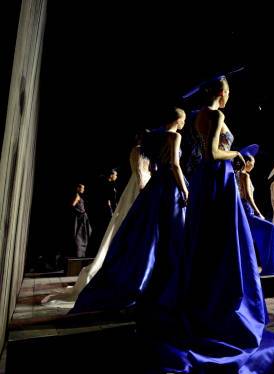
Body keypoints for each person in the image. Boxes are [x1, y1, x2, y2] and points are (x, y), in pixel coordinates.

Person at [154, 77, 274, 374]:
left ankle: (202, 303)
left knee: (205, 249)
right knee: (226, 250)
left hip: (204, 185)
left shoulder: (197, 115)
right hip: (219, 183)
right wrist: (237, 153)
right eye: (229, 92)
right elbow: (212, 154)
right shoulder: (217, 116)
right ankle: (226, 309)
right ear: (222, 93)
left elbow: (201, 155)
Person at [70, 107, 189, 313]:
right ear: (178, 120)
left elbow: (152, 168)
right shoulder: (173, 136)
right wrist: (185, 190)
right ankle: (169, 280)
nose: (185, 123)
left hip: (156, 187)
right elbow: (175, 166)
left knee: (151, 232)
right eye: (184, 119)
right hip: (170, 186)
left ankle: (146, 278)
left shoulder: (153, 138)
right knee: (173, 232)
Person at [42, 132, 152, 305]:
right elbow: (138, 172)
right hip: (138, 188)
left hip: (147, 185)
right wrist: (143, 189)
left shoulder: (149, 151)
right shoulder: (137, 150)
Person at [237, 145, 274, 275]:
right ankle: (269, 268)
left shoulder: (237, 175)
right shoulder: (244, 175)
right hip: (247, 211)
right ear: (248, 162)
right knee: (269, 228)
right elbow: (248, 197)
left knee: (261, 233)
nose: (254, 165)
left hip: (242, 211)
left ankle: (265, 267)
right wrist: (258, 212)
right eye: (253, 163)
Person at [69, 183, 92, 258]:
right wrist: (80, 212)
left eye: (83, 188)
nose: (83, 190)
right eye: (82, 188)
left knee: (85, 234)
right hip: (81, 217)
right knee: (81, 234)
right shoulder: (77, 196)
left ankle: (82, 253)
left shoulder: (78, 196)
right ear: (78, 188)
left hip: (83, 217)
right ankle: (79, 254)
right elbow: (72, 205)